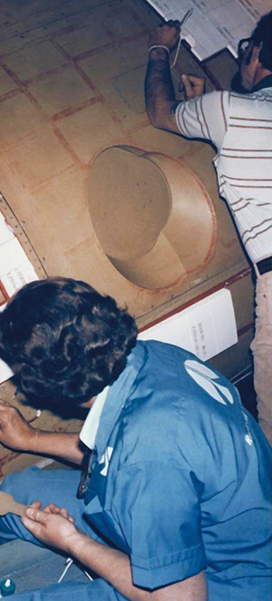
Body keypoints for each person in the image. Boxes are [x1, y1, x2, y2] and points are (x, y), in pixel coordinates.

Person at [0, 277, 271, 601]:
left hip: (229, 581)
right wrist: (30, 438)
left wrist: (73, 541)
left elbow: (181, 599)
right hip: (195, 517)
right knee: (11, 497)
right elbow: (120, 449)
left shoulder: (147, 455)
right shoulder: (149, 355)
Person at [144, 13, 272, 444]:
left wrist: (160, 49)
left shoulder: (228, 110)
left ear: (254, 53)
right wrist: (215, 103)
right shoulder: (231, 109)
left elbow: (161, 113)